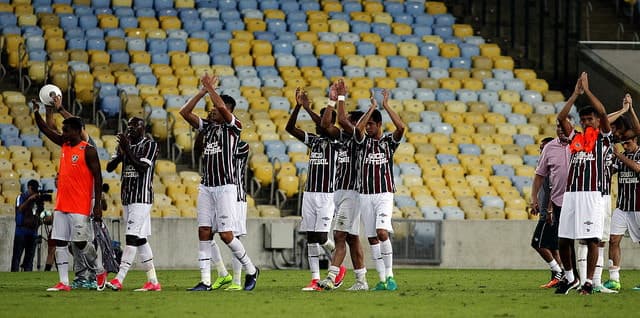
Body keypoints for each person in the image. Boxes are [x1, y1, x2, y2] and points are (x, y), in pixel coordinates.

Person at [180, 73, 259, 291]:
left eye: (215, 108)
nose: (212, 110)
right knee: (204, 232)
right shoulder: (208, 128)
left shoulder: (234, 127)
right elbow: (184, 112)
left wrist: (211, 90)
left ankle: (251, 269)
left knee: (226, 235)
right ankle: (205, 280)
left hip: (226, 187)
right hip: (207, 186)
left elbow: (222, 109)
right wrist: (202, 91)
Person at [33, 96, 106, 292]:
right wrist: (36, 112)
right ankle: (64, 282)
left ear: (76, 131)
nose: (62, 133)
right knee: (60, 242)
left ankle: (99, 269)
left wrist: (97, 204)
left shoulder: (88, 150)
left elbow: (99, 179)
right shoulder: (64, 144)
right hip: (62, 203)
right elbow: (46, 130)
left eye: (66, 130)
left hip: (80, 205)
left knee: (81, 242)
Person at [555, 72, 612, 295]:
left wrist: (587, 91)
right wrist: (575, 95)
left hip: (591, 194)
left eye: (591, 120)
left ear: (597, 122)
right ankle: (570, 278)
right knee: (563, 239)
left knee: (592, 239)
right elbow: (561, 118)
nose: (587, 122)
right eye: (584, 120)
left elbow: (604, 112)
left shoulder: (604, 138)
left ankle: (588, 282)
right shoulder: (576, 138)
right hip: (571, 193)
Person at [286, 87, 343, 291]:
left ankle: (339, 265)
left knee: (320, 237)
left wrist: (309, 108)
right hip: (310, 193)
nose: (319, 123)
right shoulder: (314, 140)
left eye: (324, 120)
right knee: (311, 237)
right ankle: (315, 279)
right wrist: (298, 107)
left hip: (327, 195)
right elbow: (290, 128)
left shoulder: (338, 140)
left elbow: (326, 125)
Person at [318, 80, 368, 291]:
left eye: (348, 120)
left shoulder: (358, 137)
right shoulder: (343, 138)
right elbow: (325, 125)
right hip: (339, 192)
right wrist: (330, 100)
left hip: (352, 192)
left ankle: (331, 277)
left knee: (339, 234)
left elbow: (338, 118)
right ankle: (361, 281)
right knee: (352, 239)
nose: (344, 121)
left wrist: (341, 97)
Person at [354, 89, 405, 291]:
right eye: (367, 124)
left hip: (384, 193)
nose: (367, 127)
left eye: (371, 124)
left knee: (382, 232)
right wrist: (371, 108)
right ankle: (382, 280)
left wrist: (385, 106)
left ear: (379, 125)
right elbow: (357, 130)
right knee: (372, 237)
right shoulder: (362, 143)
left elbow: (401, 127)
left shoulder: (388, 143)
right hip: (365, 194)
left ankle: (391, 276)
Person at [105, 117, 161, 291]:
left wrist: (127, 149)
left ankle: (119, 279)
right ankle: (153, 282)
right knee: (141, 239)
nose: (131, 129)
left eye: (135, 126)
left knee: (130, 237)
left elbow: (142, 168)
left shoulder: (150, 145)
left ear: (143, 128)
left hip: (141, 198)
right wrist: (121, 153)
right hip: (128, 198)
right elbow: (109, 167)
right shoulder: (125, 145)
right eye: (129, 126)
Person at [605, 136, 640, 292]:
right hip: (622, 206)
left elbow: (637, 168)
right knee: (613, 240)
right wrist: (609, 161)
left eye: (628, 143)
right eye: (623, 143)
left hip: (638, 206)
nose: (625, 146)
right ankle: (614, 279)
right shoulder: (621, 157)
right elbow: (609, 174)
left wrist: (619, 155)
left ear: (635, 140)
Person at [530, 136, 565, 288]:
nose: (541, 150)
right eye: (540, 148)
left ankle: (559, 271)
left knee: (537, 243)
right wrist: (535, 201)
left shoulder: (552, 168)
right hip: (549, 210)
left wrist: (549, 209)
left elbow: (553, 189)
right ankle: (559, 278)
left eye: (544, 147)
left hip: (550, 212)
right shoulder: (546, 165)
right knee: (553, 247)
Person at [225, 139, 249, 291]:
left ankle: (237, 280)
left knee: (234, 237)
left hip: (236, 198)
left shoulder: (242, 145)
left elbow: (227, 157)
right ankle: (222, 273)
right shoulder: (217, 142)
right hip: (221, 195)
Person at [11, 179, 43, 272]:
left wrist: (39, 203)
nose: (34, 192)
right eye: (33, 190)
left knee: (29, 259)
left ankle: (27, 277)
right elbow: (19, 209)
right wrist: (29, 200)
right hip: (21, 231)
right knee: (16, 257)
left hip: (33, 232)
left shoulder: (38, 200)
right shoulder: (20, 197)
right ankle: (13, 277)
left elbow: (40, 213)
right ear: (29, 188)